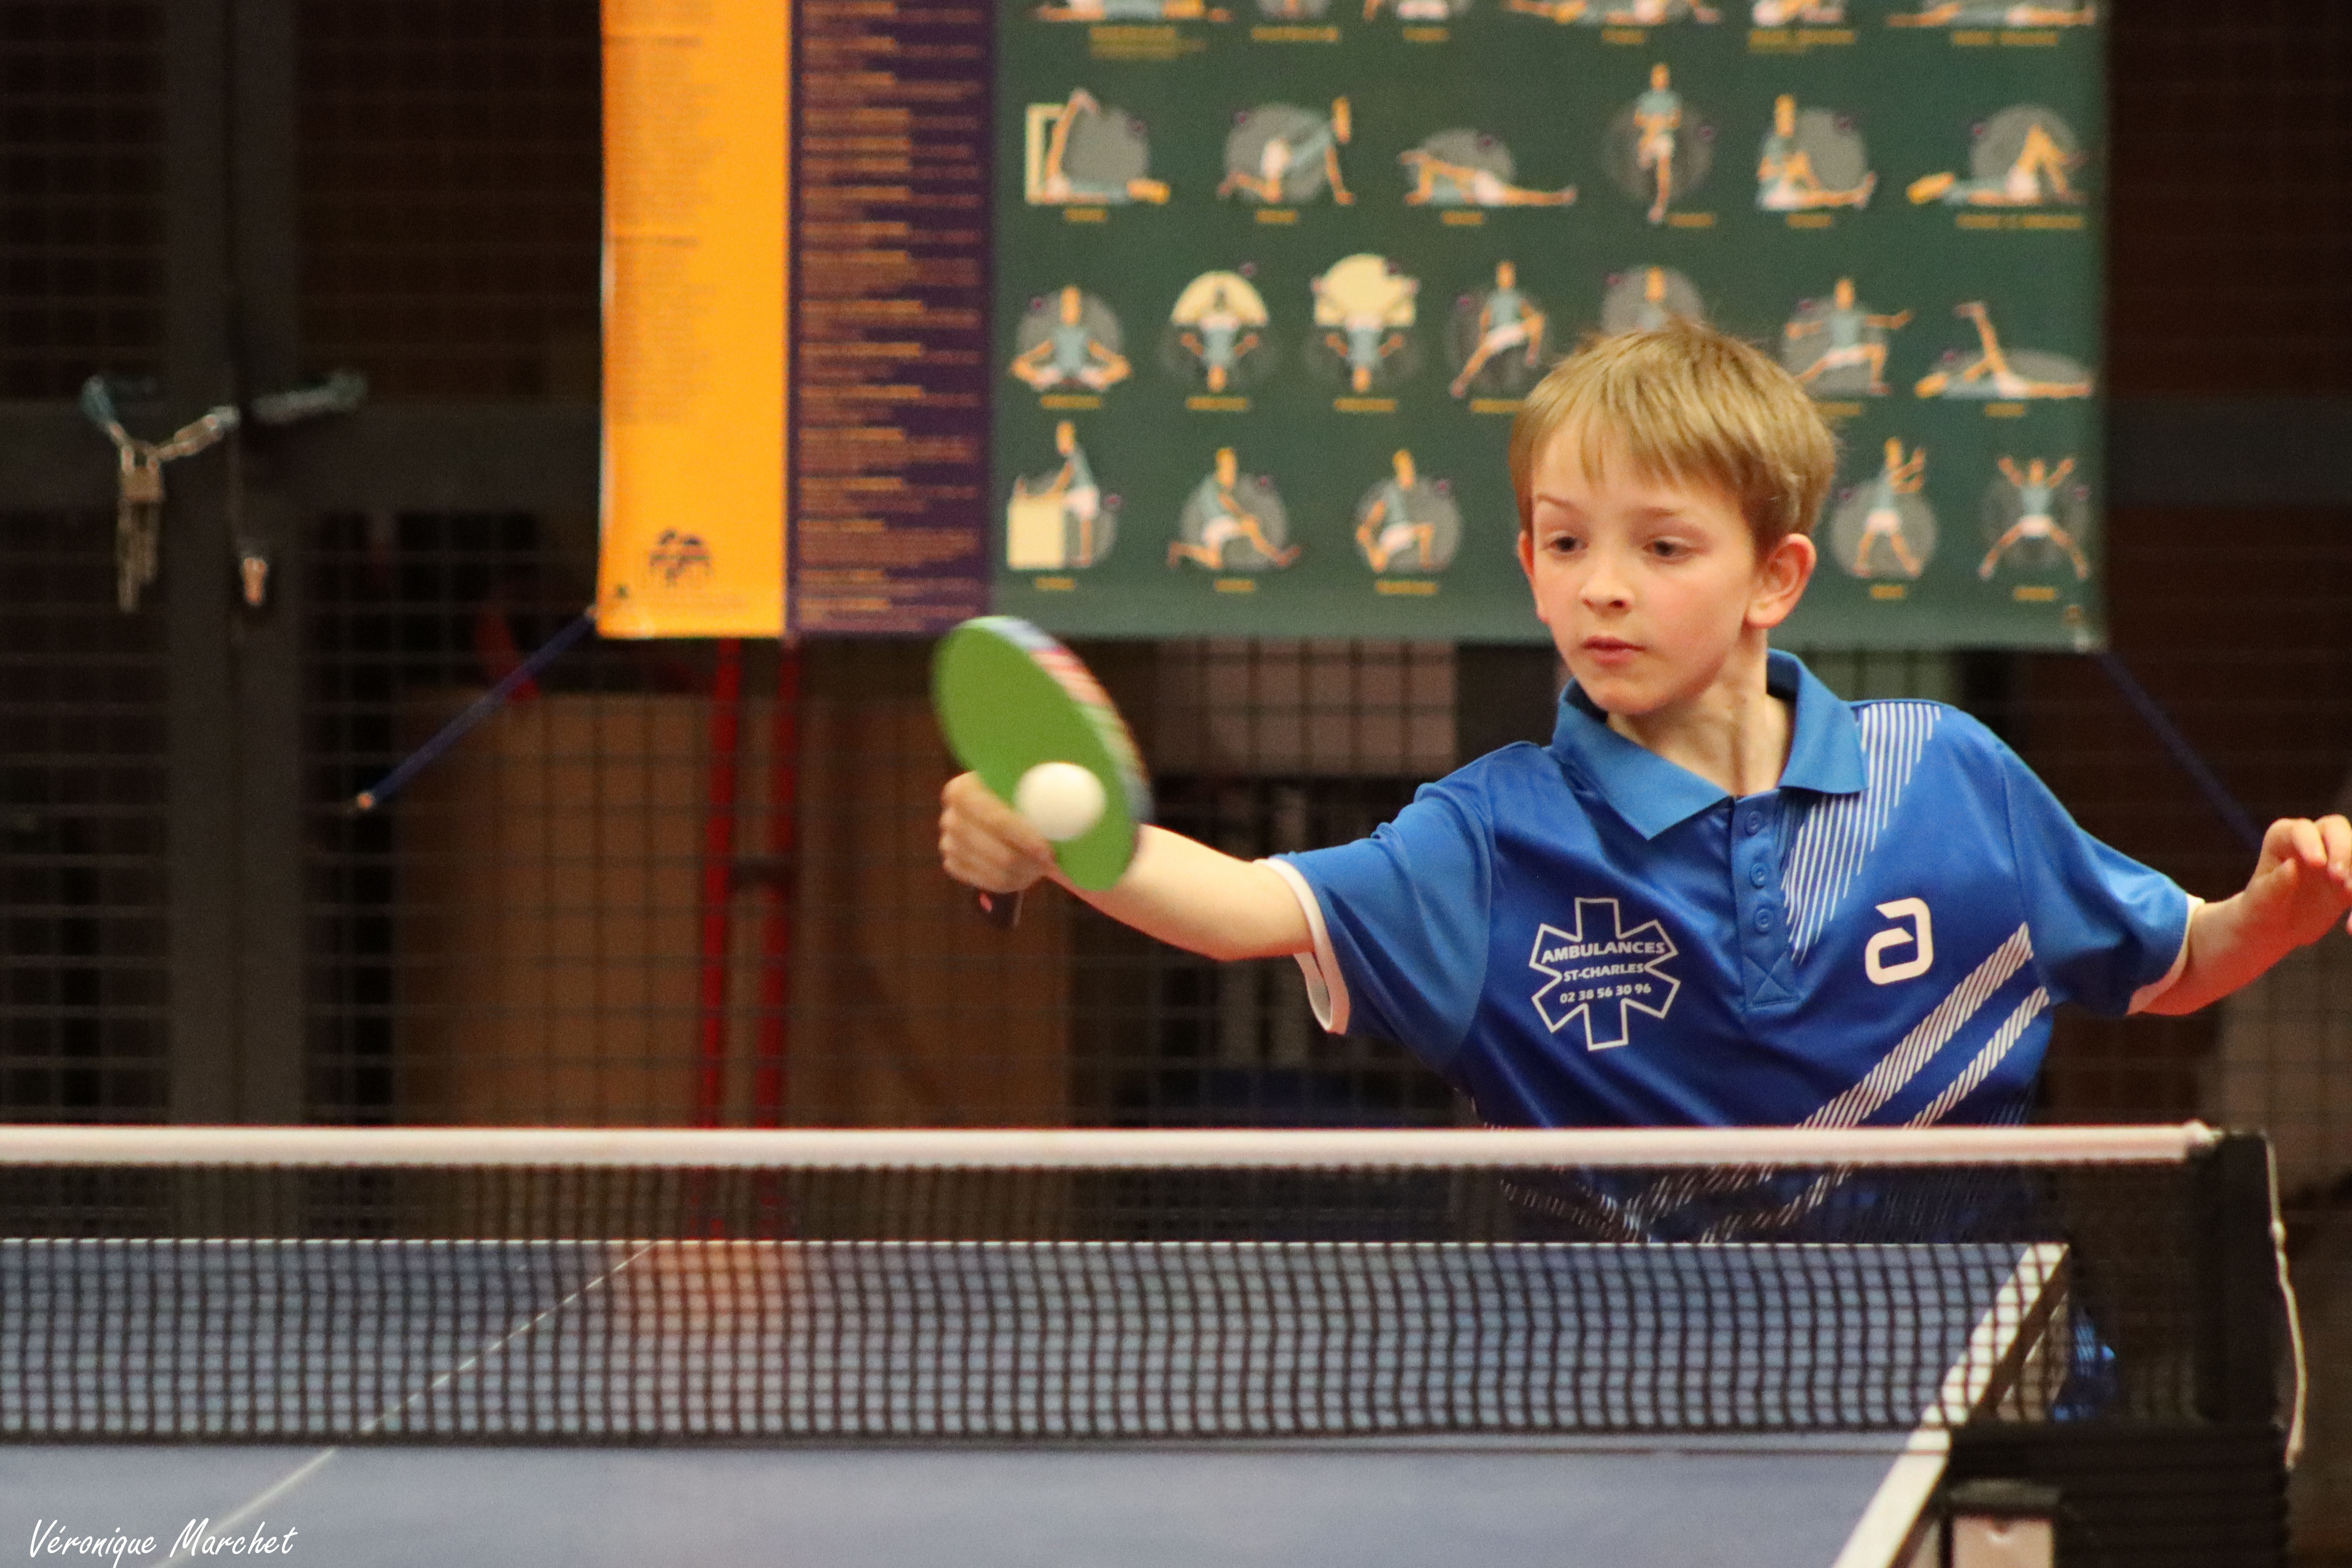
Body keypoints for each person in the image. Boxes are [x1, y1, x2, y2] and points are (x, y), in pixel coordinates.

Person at [943, 320, 2352, 1140]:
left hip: (1967, 1380)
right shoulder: (1495, 835)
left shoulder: (1946, 776)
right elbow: (1250, 908)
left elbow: (2168, 964)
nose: (1601, 585)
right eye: (1565, 543)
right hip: (1624, 1395)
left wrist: (2269, 919)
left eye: (1663, 546)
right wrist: (1072, 840)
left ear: (1774, 579)